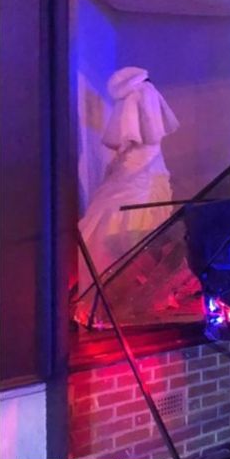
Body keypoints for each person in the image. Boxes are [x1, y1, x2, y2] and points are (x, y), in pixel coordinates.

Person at [77, 67, 179, 300]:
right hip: (143, 167)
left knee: (134, 217)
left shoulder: (138, 93)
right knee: (134, 218)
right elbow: (139, 134)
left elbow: (134, 137)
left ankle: (130, 288)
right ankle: (125, 289)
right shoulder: (142, 92)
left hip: (144, 167)